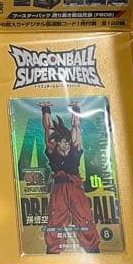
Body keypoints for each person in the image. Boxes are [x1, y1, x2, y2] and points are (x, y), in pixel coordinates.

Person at [41, 102, 101, 254]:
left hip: (75, 188)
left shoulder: (74, 150)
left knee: (84, 217)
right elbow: (48, 129)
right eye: (61, 142)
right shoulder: (53, 151)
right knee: (55, 220)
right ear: (57, 144)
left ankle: (93, 250)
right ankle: (52, 252)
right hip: (59, 189)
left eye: (67, 142)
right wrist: (46, 110)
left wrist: (75, 110)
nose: (65, 145)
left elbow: (76, 127)